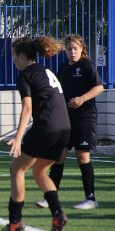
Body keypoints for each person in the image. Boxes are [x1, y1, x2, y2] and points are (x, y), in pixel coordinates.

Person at [2, 36, 71, 231]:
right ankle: (58, 214)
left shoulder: (25, 75)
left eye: (14, 55)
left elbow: (27, 109)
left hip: (46, 127)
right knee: (39, 171)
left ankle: (15, 222)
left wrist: (18, 138)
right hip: (64, 128)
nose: (13, 59)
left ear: (22, 56)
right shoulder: (46, 71)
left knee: (17, 169)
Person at [36, 34, 104, 210]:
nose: (72, 52)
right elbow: (58, 91)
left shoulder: (87, 66)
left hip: (85, 119)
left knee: (82, 157)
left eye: (75, 48)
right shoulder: (64, 68)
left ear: (82, 49)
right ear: (65, 51)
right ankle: (50, 197)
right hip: (66, 119)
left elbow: (99, 87)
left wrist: (82, 99)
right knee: (58, 157)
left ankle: (90, 198)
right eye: (69, 49)